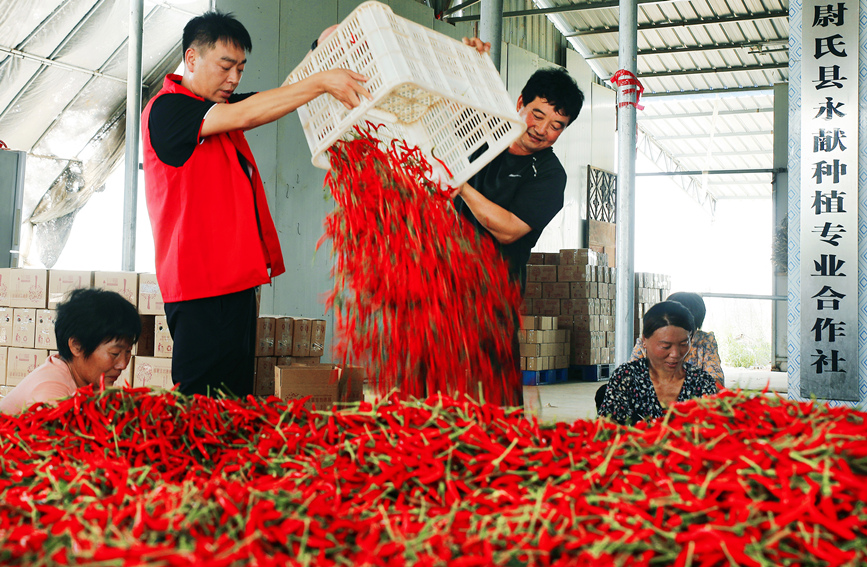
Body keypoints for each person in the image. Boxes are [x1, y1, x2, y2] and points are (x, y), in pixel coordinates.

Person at [141, 11, 372, 398]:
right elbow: (248, 111)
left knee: (233, 398)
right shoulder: (169, 110)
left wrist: (321, 55)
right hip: (199, 285)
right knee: (199, 401)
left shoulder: (215, 110)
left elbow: (269, 99)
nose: (234, 79)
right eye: (225, 66)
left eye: (241, 69)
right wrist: (321, 81)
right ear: (192, 59)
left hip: (234, 281)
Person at [449, 58, 584, 404]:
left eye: (556, 125)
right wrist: (470, 62)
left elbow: (508, 230)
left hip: (491, 293)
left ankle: (501, 447)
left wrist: (460, 185)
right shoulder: (483, 134)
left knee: (491, 386)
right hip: (442, 278)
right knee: (437, 379)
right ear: (520, 102)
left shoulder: (551, 176)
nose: (541, 130)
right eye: (537, 115)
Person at [0, 288, 141, 415]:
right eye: (115, 353)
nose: (123, 364)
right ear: (77, 346)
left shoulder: (89, 383)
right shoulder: (51, 390)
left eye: (128, 352)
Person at [597, 301, 717, 425]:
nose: (675, 354)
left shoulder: (702, 382)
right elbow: (608, 426)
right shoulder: (626, 376)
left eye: (683, 344)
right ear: (644, 340)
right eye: (665, 346)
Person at [630, 292, 725, 390]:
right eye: (666, 345)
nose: (675, 354)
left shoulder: (705, 341)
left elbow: (716, 380)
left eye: (684, 342)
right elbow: (631, 379)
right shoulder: (647, 342)